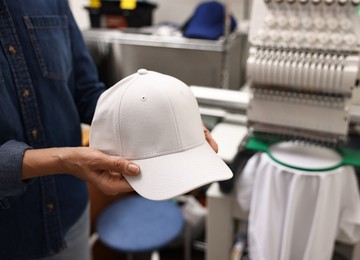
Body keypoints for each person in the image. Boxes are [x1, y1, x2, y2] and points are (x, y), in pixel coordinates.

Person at [0, 1, 218, 259]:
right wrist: (63, 161)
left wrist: (165, 117)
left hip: (69, 211)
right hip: (10, 235)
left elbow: (86, 92)